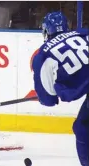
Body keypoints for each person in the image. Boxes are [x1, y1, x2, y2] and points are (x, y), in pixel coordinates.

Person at [32, 11, 89, 165]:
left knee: (83, 129)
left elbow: (48, 99)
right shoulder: (84, 33)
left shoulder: (44, 54)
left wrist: (47, 95)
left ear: (46, 31)